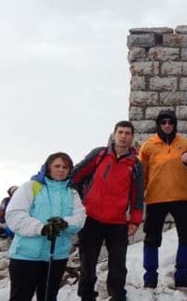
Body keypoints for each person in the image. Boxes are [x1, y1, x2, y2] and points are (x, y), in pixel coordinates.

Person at [70, 121, 144, 301]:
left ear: (132, 137)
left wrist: (135, 220)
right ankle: (87, 295)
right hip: (91, 218)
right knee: (88, 261)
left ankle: (118, 295)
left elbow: (138, 194)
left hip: (117, 222)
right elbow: (76, 175)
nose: (123, 136)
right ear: (114, 134)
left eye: (127, 133)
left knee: (118, 264)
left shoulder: (135, 164)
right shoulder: (99, 154)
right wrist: (76, 203)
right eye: (120, 132)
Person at [6, 152, 86, 301]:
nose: (61, 170)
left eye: (65, 167)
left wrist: (65, 223)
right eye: (57, 166)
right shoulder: (31, 186)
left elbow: (80, 217)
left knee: (49, 297)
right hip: (26, 255)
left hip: (56, 256)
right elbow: (14, 214)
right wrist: (41, 228)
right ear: (48, 167)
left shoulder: (72, 192)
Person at [138, 109, 187, 288]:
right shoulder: (148, 146)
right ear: (158, 124)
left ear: (175, 124)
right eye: (163, 122)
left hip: (181, 197)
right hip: (156, 199)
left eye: (170, 122)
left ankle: (182, 275)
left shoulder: (186, 144)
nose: (167, 125)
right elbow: (142, 174)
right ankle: (150, 278)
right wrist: (136, 200)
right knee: (152, 238)